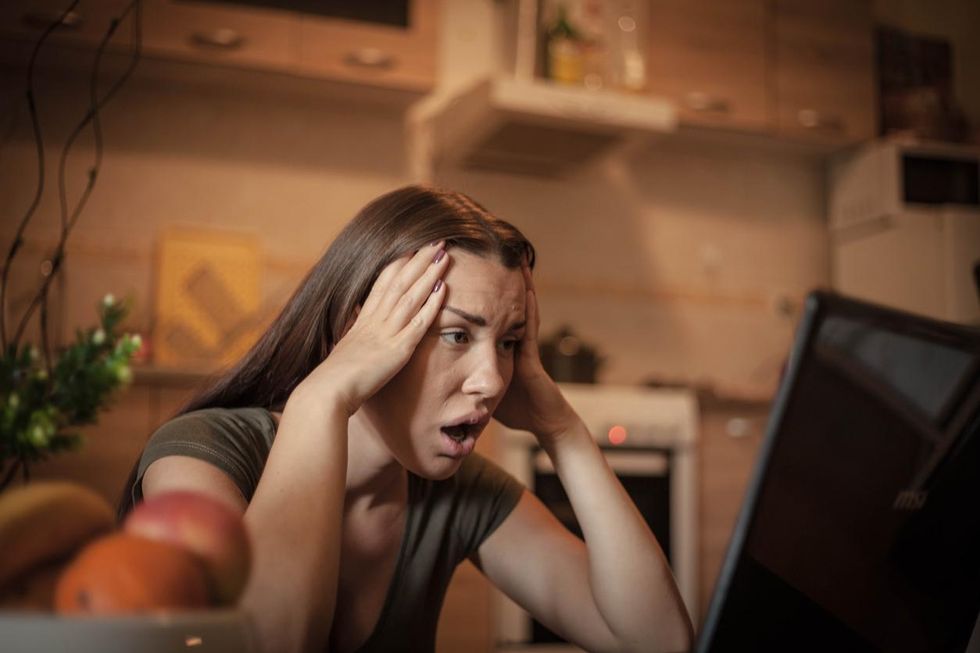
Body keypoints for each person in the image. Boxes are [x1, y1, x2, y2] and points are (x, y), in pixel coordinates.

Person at [119, 185, 693, 653]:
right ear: (363, 329)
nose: (492, 380)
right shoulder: (197, 454)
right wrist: (323, 398)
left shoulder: (461, 494)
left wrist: (561, 428)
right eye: (456, 334)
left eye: (510, 343)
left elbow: (657, 641)